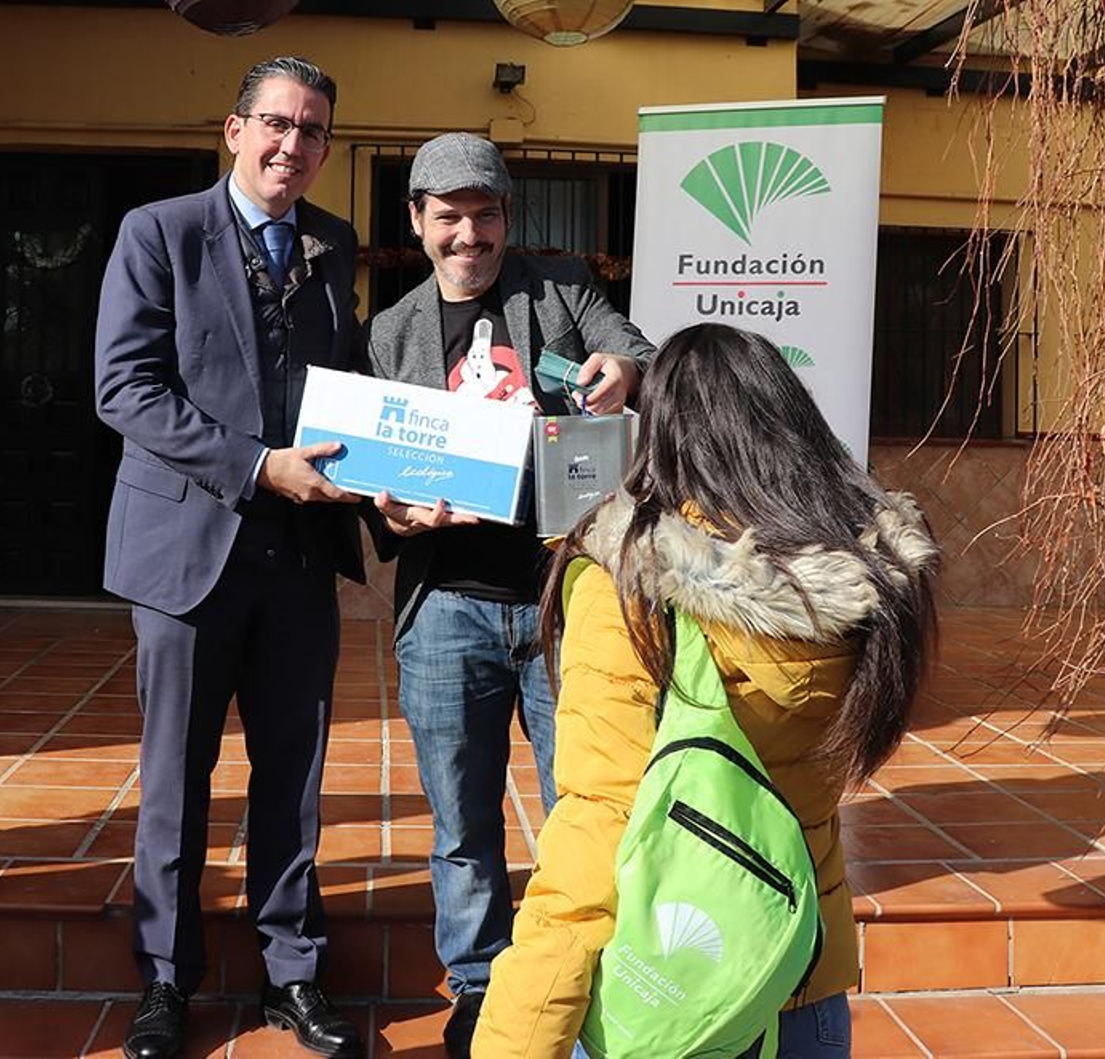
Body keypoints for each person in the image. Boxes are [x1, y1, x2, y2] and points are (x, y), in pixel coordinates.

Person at [474, 323, 940, 1058]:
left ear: (662, 436)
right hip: (801, 980)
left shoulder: (632, 585)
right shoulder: (868, 586)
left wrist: (513, 1041)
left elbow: (598, 829)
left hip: (670, 991)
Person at [94, 56, 367, 1059]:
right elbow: (124, 390)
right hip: (186, 552)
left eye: (312, 132)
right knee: (177, 773)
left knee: (292, 774)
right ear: (234, 129)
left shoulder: (333, 245)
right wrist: (259, 467)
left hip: (298, 555)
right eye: (276, 125)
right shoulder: (157, 233)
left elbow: (353, 383)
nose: (292, 145)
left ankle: (290, 975)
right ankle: (166, 982)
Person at [364, 133, 655, 1058]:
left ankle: (589, 976)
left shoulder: (559, 286)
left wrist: (625, 372)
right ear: (417, 222)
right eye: (448, 216)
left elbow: (631, 345)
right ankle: (482, 988)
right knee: (461, 821)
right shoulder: (390, 330)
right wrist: (396, 517)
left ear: (506, 217)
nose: (469, 234)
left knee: (591, 799)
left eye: (484, 214)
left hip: (566, 599)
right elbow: (378, 475)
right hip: (445, 604)